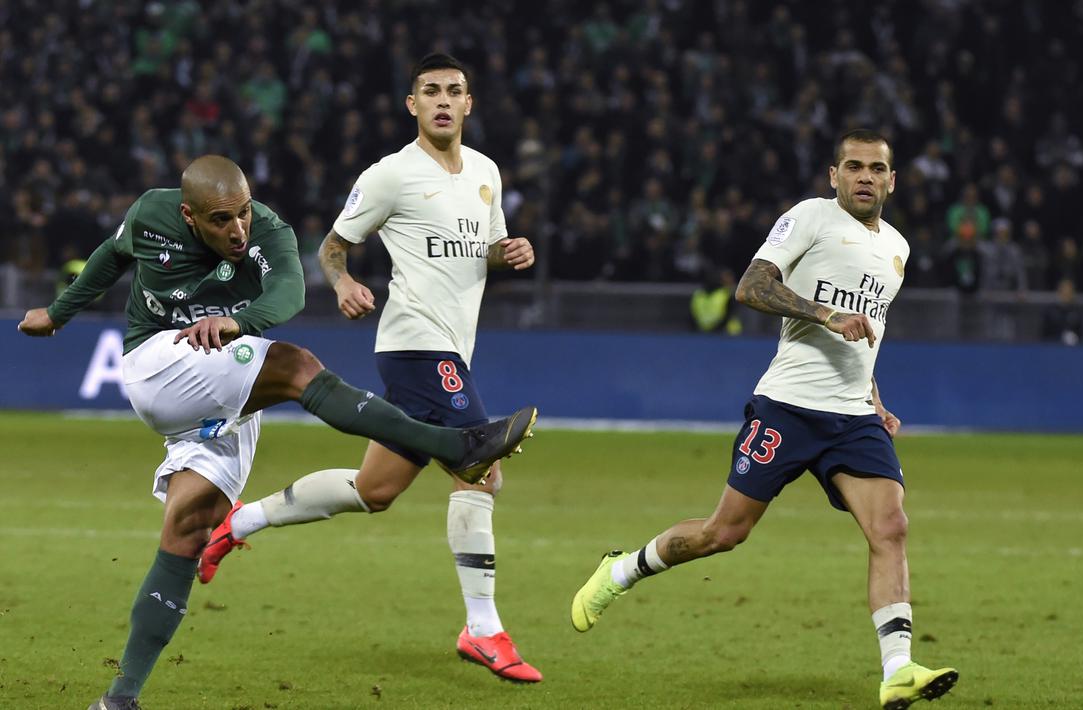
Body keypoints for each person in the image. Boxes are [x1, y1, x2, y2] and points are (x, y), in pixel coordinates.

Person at [17, 155, 536, 710]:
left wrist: (238, 322)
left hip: (220, 382)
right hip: (157, 362)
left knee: (189, 528)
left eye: (242, 213)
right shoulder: (151, 213)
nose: (237, 230)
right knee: (294, 366)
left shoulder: (268, 231)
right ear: (189, 216)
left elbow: (288, 291)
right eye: (221, 220)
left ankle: (120, 696)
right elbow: (110, 255)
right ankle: (457, 446)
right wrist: (58, 312)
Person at [570, 130, 959, 710]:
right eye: (852, 166)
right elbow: (751, 287)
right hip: (788, 408)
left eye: (876, 169)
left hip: (852, 418)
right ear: (834, 175)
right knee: (723, 533)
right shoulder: (810, 218)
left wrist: (874, 396)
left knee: (891, 527)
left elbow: (866, 334)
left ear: (892, 180)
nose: (864, 177)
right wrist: (825, 312)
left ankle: (897, 670)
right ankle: (623, 569)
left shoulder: (898, 250)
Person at [198, 54, 543, 683]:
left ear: (469, 104)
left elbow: (484, 249)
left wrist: (506, 250)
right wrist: (343, 281)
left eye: (454, 92)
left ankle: (238, 521)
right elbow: (332, 246)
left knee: (375, 490)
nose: (443, 100)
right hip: (414, 344)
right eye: (431, 92)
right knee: (478, 469)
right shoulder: (389, 176)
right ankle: (484, 628)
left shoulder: (487, 173)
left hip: (452, 349)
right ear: (412, 105)